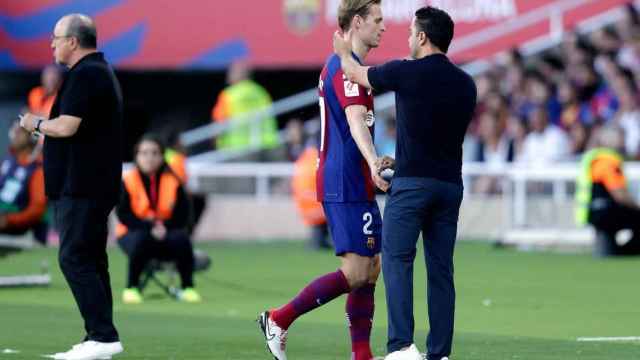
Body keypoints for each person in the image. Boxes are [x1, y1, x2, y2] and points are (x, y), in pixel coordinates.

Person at [334, 6, 477, 360]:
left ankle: (401, 347)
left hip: (412, 187)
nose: (408, 37)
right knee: (441, 270)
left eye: (412, 32)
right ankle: (440, 353)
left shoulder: (405, 72)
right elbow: (439, 137)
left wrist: (341, 50)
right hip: (448, 186)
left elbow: (354, 72)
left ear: (423, 37)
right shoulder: (466, 83)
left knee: (398, 261)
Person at [258, 1, 388, 359]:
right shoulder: (344, 69)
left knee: (371, 268)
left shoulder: (352, 67)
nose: (384, 27)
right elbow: (355, 119)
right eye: (377, 20)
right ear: (357, 22)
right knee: (356, 269)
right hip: (344, 178)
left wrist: (372, 163)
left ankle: (361, 354)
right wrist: (373, 160)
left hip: (355, 177)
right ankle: (279, 319)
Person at [20, 13, 124, 360]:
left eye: (56, 38)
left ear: (73, 42)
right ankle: (99, 337)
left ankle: (103, 336)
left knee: (74, 257)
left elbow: (66, 127)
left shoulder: (86, 74)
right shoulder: (95, 71)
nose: (51, 44)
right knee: (92, 260)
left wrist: (34, 123)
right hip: (91, 183)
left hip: (83, 185)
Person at [115, 135, 201, 304]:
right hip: (133, 232)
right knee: (141, 240)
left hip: (166, 231)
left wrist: (164, 228)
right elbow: (123, 215)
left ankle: (187, 287)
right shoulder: (128, 181)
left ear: (162, 156)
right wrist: (149, 227)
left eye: (155, 153)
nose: (149, 158)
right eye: (144, 153)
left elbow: (183, 216)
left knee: (182, 240)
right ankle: (131, 288)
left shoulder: (174, 180)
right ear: (137, 156)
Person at [575, 126, 640, 256]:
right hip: (607, 212)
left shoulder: (593, 159)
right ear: (611, 141)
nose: (624, 142)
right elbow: (619, 194)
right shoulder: (609, 162)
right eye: (621, 138)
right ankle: (624, 252)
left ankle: (611, 249)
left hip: (592, 212)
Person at [211, 60, 279, 152]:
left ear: (241, 74)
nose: (228, 75)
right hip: (265, 146)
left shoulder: (228, 95)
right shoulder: (261, 92)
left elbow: (219, 123)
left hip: (236, 148)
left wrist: (216, 144)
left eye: (232, 72)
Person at [0, 122, 47, 242]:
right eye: (14, 130)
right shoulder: (8, 161)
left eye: (20, 131)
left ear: (32, 136)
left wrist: (9, 220)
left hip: (23, 233)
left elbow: (36, 210)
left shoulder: (37, 169)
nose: (14, 134)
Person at [291, 140, 331, 250]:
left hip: (305, 202)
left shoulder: (303, 160)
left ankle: (319, 241)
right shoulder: (319, 158)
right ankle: (320, 241)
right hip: (318, 202)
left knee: (319, 222)